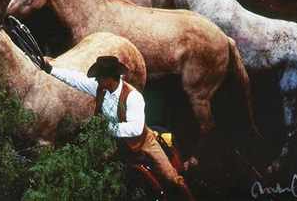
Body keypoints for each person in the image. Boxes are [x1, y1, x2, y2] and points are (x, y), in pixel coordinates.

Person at [44, 55, 195, 200]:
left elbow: (135, 128)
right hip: (114, 144)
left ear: (110, 79)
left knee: (171, 177)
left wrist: (106, 127)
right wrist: (50, 70)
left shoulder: (133, 97)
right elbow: (76, 79)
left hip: (142, 142)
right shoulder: (101, 88)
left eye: (99, 76)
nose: (96, 79)